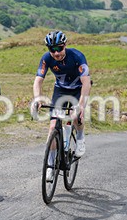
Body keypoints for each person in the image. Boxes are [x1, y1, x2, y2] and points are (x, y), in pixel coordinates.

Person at [32, 30, 91, 182]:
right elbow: (38, 80)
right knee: (52, 128)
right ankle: (50, 166)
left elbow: (86, 82)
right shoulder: (46, 59)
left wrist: (81, 105)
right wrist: (38, 98)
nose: (56, 53)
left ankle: (80, 137)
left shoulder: (77, 56)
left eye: (59, 48)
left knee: (76, 115)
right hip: (60, 90)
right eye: (52, 50)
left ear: (65, 45)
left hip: (77, 90)